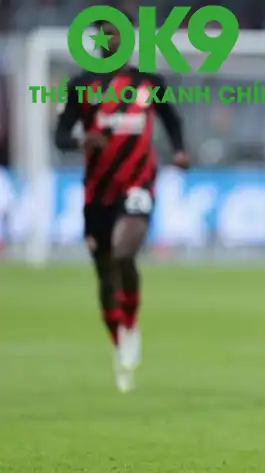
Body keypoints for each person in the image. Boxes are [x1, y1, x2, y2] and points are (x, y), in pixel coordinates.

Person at [54, 19, 188, 393]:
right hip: (98, 193)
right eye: (109, 32)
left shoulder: (149, 82)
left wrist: (179, 150)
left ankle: (130, 322)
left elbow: (171, 119)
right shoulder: (81, 85)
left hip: (139, 183)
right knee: (104, 273)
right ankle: (118, 340)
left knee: (124, 254)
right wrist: (81, 140)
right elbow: (60, 135)